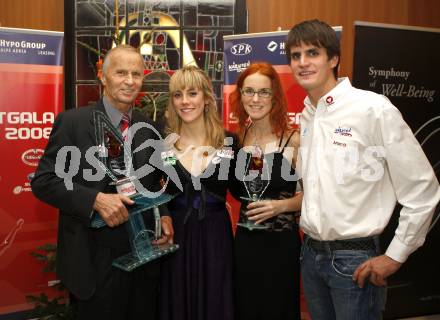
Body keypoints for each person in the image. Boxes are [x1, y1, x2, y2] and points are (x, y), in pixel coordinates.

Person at [286, 19, 440, 319]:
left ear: (333, 58)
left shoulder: (372, 109)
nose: (303, 62)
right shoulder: (308, 115)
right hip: (311, 256)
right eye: (295, 55)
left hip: (354, 261)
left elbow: (423, 189)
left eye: (312, 53)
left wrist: (395, 256)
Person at [31, 45, 174, 320]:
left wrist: (164, 215)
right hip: (94, 261)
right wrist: (94, 199)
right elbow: (45, 181)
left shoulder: (149, 127)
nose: (130, 81)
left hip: (143, 258)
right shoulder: (73, 123)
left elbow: (157, 180)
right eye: (121, 73)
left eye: (136, 74)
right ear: (103, 76)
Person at [159, 65, 237, 320]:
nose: (185, 101)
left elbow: (244, 190)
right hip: (176, 236)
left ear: (206, 98)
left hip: (216, 237)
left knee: (216, 299)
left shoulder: (229, 142)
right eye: (177, 95)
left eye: (192, 93)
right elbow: (148, 191)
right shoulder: (163, 145)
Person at [230, 62, 303, 320]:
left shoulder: (293, 140)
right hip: (246, 245)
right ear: (240, 95)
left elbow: (316, 196)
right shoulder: (237, 140)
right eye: (249, 91)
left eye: (264, 92)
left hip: (281, 246)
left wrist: (280, 206)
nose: (256, 99)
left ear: (275, 97)